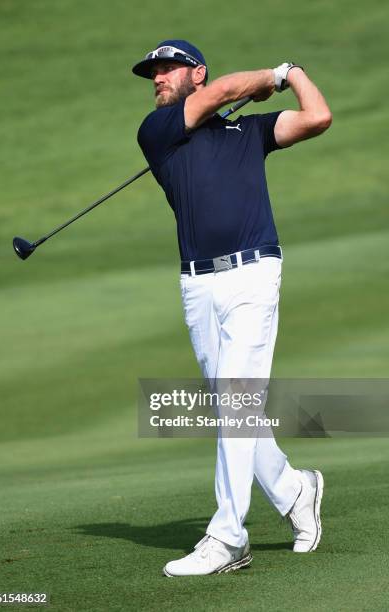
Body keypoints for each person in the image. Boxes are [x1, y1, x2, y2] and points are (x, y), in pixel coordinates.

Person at [132, 40, 332, 577]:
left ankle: (228, 537)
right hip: (197, 285)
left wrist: (293, 72)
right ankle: (296, 491)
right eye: (153, 72)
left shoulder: (251, 131)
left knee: (237, 398)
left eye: (168, 69)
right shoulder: (158, 131)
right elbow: (223, 91)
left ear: (194, 72)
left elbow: (319, 116)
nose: (157, 78)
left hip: (255, 274)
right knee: (232, 407)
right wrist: (271, 72)